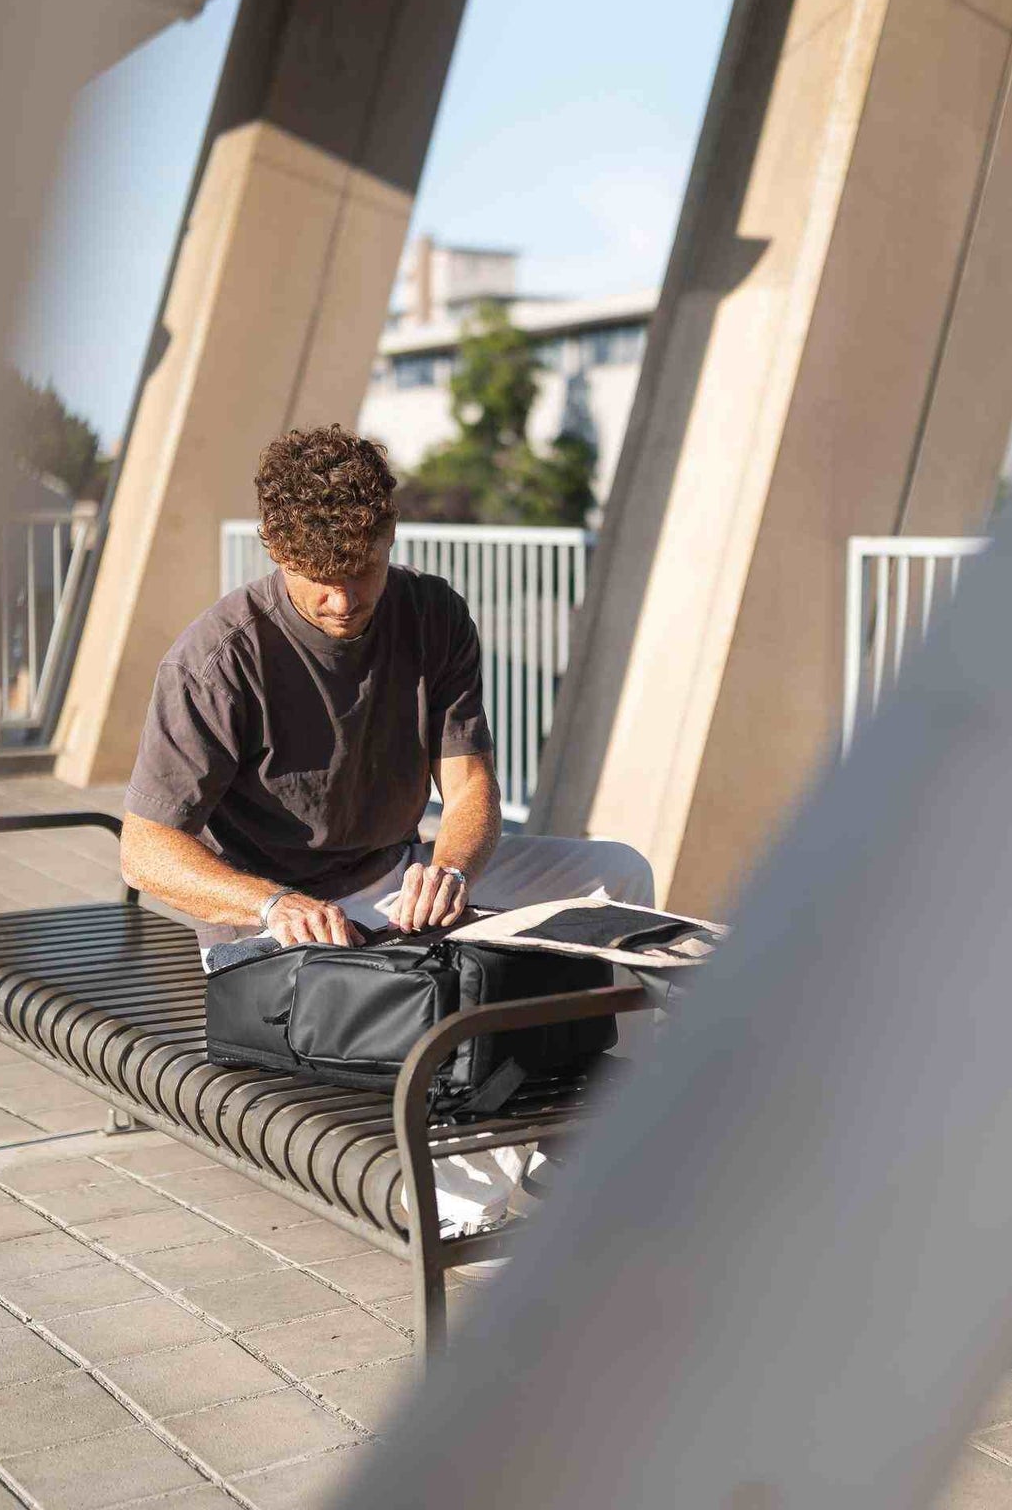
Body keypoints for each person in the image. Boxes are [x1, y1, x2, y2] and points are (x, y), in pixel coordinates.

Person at [120, 423, 652, 1238]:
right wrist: (272, 905)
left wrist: (454, 867)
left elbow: (468, 780)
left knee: (618, 872)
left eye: (360, 571)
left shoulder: (433, 613)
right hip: (274, 928)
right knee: (450, 993)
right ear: (273, 549)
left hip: (393, 875)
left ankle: (580, 1136)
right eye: (317, 580)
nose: (341, 601)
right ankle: (459, 1203)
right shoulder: (217, 659)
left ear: (389, 535)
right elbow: (144, 849)